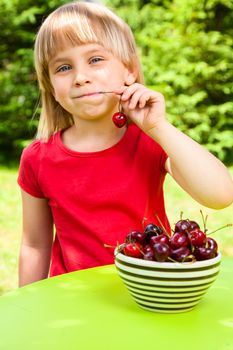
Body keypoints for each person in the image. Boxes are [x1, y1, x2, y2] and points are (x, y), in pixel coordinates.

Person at [17, 1, 233, 287]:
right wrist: (29, 308)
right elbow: (35, 245)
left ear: (129, 69)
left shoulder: (150, 141)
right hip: (71, 300)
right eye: (64, 67)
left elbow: (220, 195)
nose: (81, 77)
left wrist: (159, 127)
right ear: (51, 87)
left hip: (148, 291)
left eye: (95, 60)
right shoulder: (37, 158)